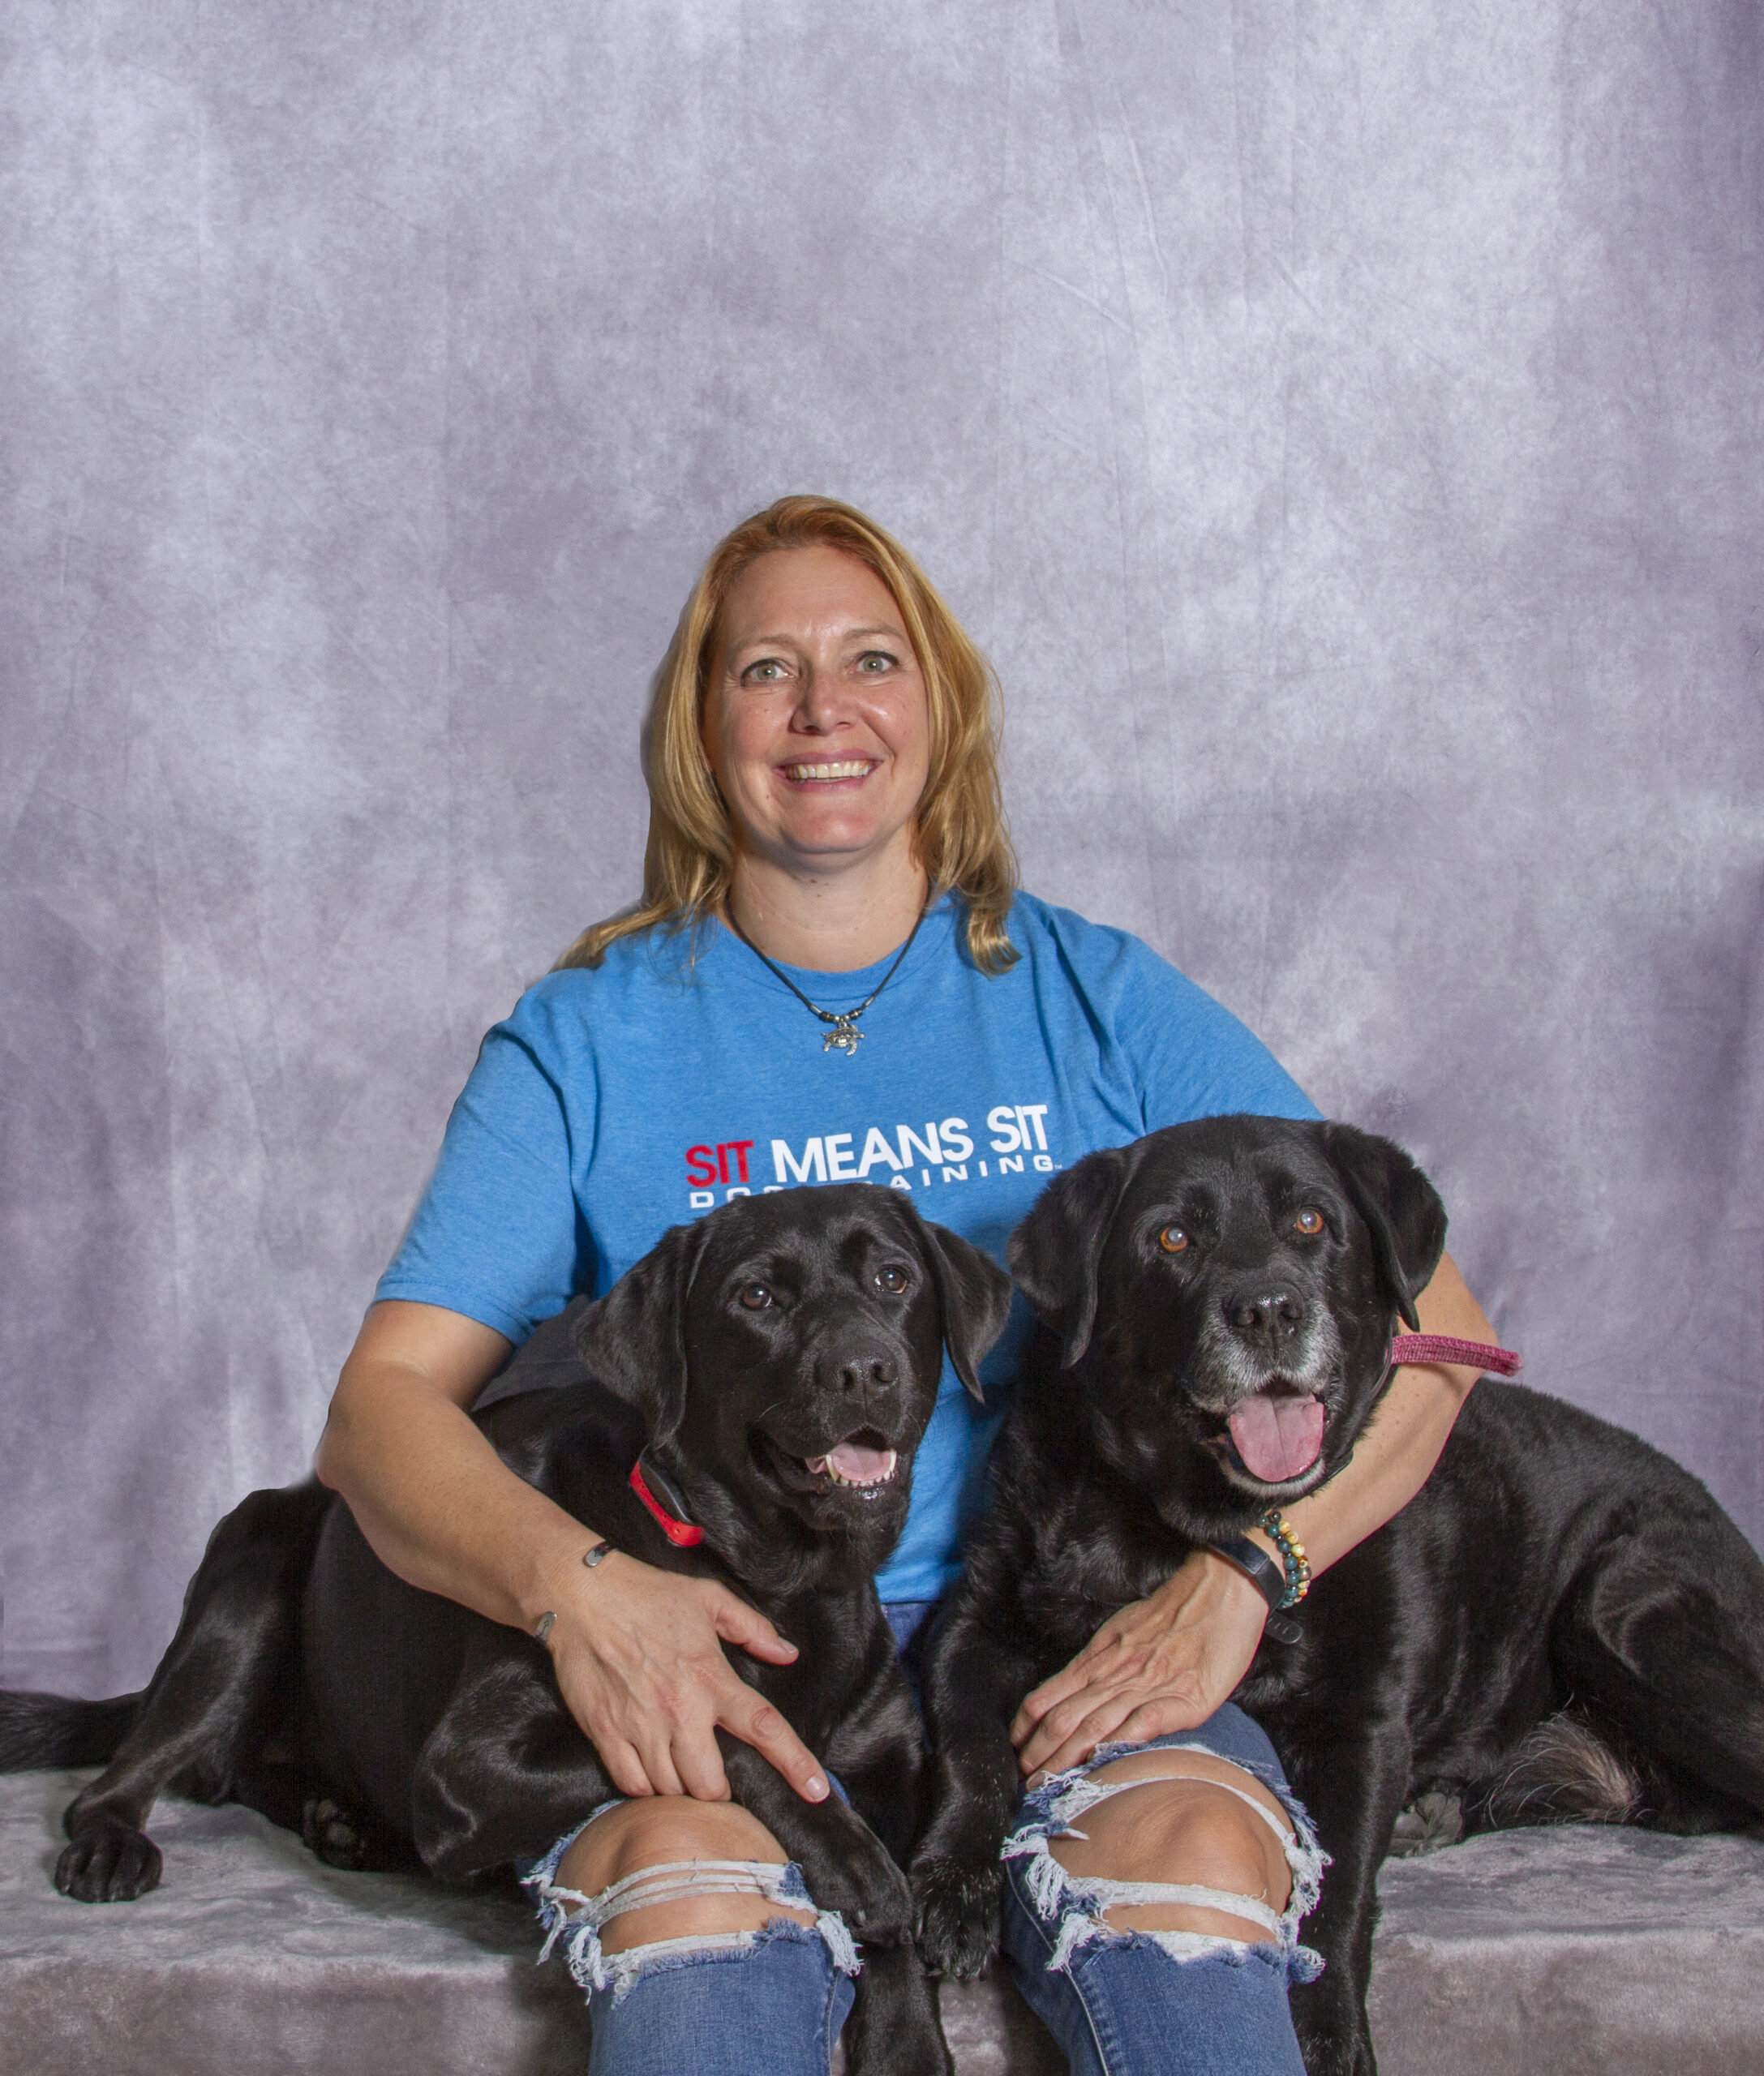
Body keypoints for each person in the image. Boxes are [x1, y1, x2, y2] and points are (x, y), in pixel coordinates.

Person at [315, 496, 1497, 2076]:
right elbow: (382, 1412)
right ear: (698, 724)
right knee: (691, 1909)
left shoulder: (1095, 995)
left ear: (937, 710)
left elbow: (1443, 1336)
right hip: (735, 1671)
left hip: (1070, 1647)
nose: (822, 710)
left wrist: (1247, 1576)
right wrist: (576, 1592)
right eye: (765, 670)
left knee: (1191, 1874)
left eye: (871, 659)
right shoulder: (591, 1040)